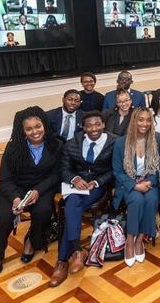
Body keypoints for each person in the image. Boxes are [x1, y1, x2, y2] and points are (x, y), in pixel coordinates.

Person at [0, 107, 62, 276]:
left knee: (43, 212)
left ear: (44, 124)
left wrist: (38, 190)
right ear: (22, 131)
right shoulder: (13, 147)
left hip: (41, 187)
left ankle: (31, 241)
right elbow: (5, 179)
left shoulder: (56, 144)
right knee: (5, 219)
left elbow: (56, 174)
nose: (35, 132)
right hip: (14, 189)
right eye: (29, 129)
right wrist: (15, 198)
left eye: (38, 126)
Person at [50, 111, 116, 287]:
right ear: (83, 127)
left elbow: (114, 169)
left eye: (97, 124)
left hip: (97, 186)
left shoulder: (115, 142)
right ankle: (76, 251)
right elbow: (64, 169)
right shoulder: (72, 144)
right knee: (73, 204)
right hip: (75, 186)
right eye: (89, 125)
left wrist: (96, 181)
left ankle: (62, 260)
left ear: (103, 124)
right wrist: (75, 179)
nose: (93, 128)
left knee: (71, 207)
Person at [112, 107, 160, 266]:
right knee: (137, 200)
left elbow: (159, 166)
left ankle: (140, 239)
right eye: (141, 119)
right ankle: (129, 240)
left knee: (152, 199)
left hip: (149, 181)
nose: (145, 123)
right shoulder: (121, 142)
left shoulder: (157, 139)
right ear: (134, 121)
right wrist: (134, 185)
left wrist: (150, 182)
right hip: (128, 182)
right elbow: (118, 171)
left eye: (148, 120)